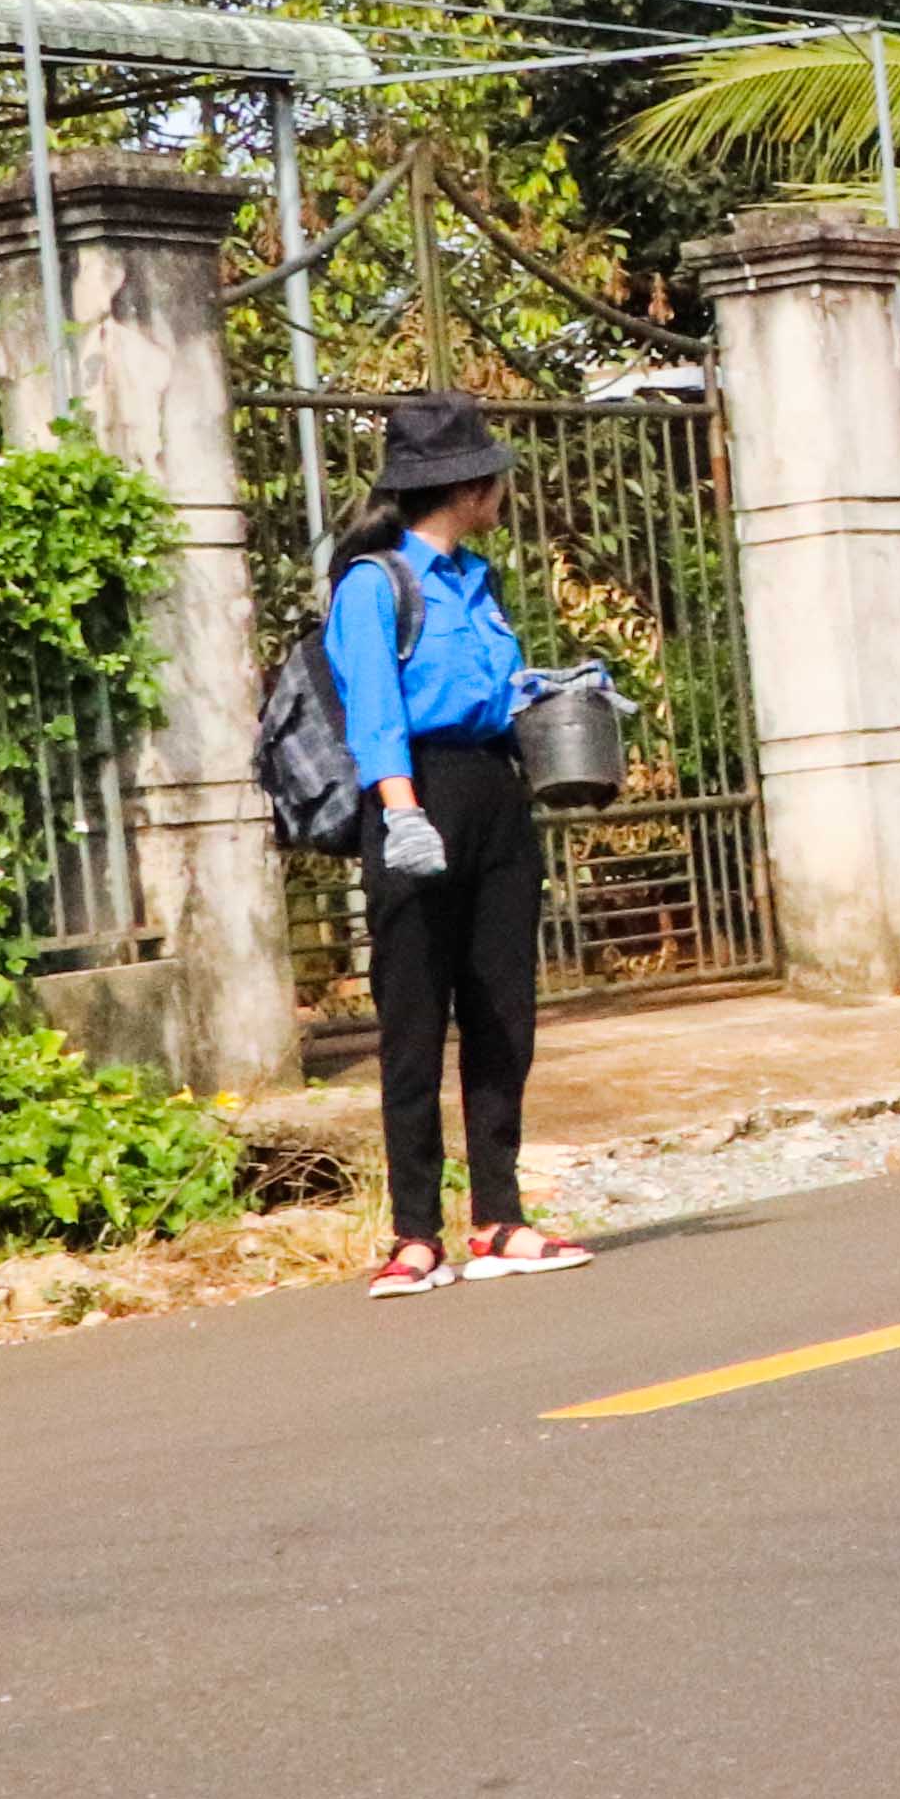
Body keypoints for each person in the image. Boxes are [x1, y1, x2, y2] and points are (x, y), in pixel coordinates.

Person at [324, 388, 590, 1301]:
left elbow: (490, 691)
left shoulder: (478, 581)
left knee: (501, 1013)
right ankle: (412, 1234)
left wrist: (553, 701)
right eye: (494, 480)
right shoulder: (375, 584)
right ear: (467, 486)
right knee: (411, 1024)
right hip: (416, 796)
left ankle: (499, 1217)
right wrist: (401, 814)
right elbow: (375, 712)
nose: (502, 493)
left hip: (493, 792)